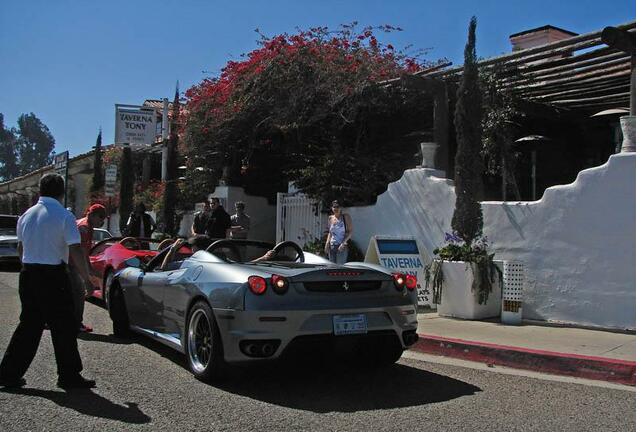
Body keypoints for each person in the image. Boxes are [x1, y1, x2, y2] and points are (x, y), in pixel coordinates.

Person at [0, 173, 98, 389]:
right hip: (53, 275)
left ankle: (8, 373)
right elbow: (75, 249)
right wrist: (86, 280)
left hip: (28, 273)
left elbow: (20, 248)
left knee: (29, 325)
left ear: (40, 191)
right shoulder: (64, 216)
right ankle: (68, 376)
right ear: (62, 192)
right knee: (63, 325)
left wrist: (28, 265)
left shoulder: (25, 215)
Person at [71, 203, 107, 333]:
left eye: (104, 217)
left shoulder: (88, 227)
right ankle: (75, 323)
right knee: (79, 293)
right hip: (72, 264)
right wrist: (87, 277)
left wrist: (91, 270)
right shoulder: (84, 228)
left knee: (72, 294)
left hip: (72, 264)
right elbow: (78, 251)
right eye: (100, 217)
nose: (102, 220)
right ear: (91, 214)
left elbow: (84, 252)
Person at [324, 200, 353, 264]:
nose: (336, 209)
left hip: (341, 246)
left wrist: (343, 243)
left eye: (338, 207)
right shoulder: (330, 218)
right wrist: (327, 243)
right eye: (334, 207)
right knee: (332, 268)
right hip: (332, 246)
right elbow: (330, 232)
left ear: (341, 208)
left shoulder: (345, 217)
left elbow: (350, 232)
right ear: (332, 208)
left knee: (340, 267)